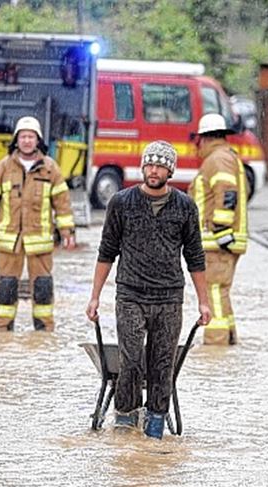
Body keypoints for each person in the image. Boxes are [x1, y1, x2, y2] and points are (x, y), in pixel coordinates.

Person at [84, 140, 211, 439]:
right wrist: (94, 296)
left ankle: (154, 428)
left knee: (162, 365)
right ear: (142, 167)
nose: (154, 170)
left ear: (170, 170)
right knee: (129, 361)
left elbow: (195, 257)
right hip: (130, 294)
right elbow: (107, 252)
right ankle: (126, 423)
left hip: (169, 297)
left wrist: (204, 302)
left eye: (160, 165)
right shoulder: (121, 203)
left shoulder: (184, 207)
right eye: (149, 164)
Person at [0, 116, 76, 332]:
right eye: (23, 136)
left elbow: (62, 202)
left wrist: (67, 230)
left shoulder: (50, 168)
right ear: (16, 140)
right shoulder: (3, 167)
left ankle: (44, 332)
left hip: (39, 240)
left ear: (38, 140)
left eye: (31, 137)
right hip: (9, 240)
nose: (26, 141)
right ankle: (3, 331)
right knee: (6, 286)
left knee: (42, 287)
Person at [190, 113, 249, 346]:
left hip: (216, 242)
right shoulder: (225, 156)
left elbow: (227, 192)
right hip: (221, 241)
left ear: (203, 139)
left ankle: (216, 347)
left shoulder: (217, 159)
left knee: (213, 292)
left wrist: (221, 230)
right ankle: (229, 340)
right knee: (220, 293)